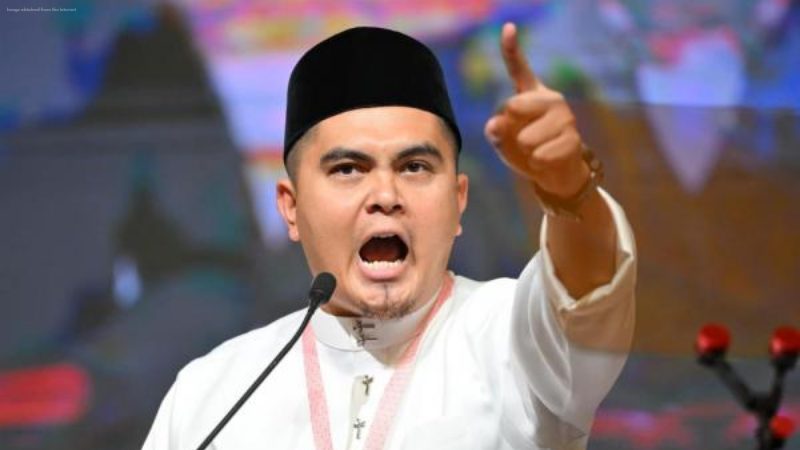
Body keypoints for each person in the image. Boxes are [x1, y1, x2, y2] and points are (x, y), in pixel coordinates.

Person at [143, 23, 636, 450]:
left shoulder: (510, 333)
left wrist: (568, 188)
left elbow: (584, 291)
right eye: (348, 169)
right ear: (291, 208)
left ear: (458, 200)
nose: (385, 195)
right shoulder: (212, 392)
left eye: (414, 166)